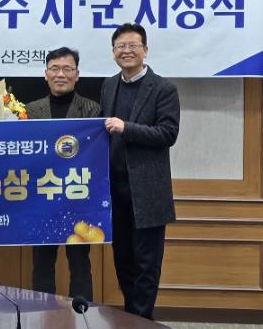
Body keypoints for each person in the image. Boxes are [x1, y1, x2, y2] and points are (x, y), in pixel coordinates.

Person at [102, 23, 180, 320]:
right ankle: (131, 317)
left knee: (147, 264)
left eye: (133, 45)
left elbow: (168, 133)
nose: (127, 51)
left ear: (145, 50)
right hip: (115, 191)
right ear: (113, 52)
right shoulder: (109, 85)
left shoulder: (163, 88)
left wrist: (127, 128)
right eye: (120, 46)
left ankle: (141, 321)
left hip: (148, 192)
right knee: (123, 261)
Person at [27, 47, 99, 300]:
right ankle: (42, 313)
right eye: (54, 69)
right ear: (45, 74)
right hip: (42, 197)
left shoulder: (92, 110)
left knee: (80, 264)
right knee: (42, 263)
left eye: (67, 69)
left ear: (76, 75)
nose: (60, 74)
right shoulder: (30, 111)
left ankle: (82, 314)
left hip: (78, 198)